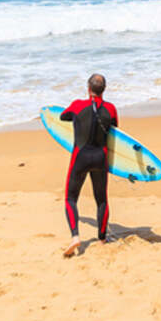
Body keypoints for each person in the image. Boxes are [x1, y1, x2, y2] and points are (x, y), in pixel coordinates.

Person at [58, 73, 118, 257]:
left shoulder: (77, 105)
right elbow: (115, 132)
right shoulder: (111, 109)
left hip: (80, 158)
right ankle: (102, 238)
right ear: (104, 89)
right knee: (101, 199)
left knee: (70, 198)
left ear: (88, 88)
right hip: (100, 157)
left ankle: (75, 236)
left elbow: (62, 117)